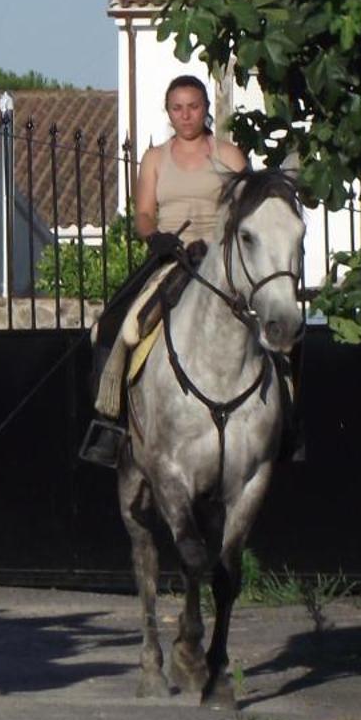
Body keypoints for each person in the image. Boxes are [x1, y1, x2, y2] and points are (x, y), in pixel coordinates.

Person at [78, 75, 248, 467]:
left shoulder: (231, 156)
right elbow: (142, 214)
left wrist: (222, 240)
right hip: (173, 258)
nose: (186, 115)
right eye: (178, 107)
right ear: (168, 112)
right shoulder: (155, 158)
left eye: (194, 106)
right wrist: (157, 238)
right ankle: (111, 424)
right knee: (115, 324)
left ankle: (288, 422)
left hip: (221, 260)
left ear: (207, 108)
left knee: (277, 322)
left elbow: (245, 210)